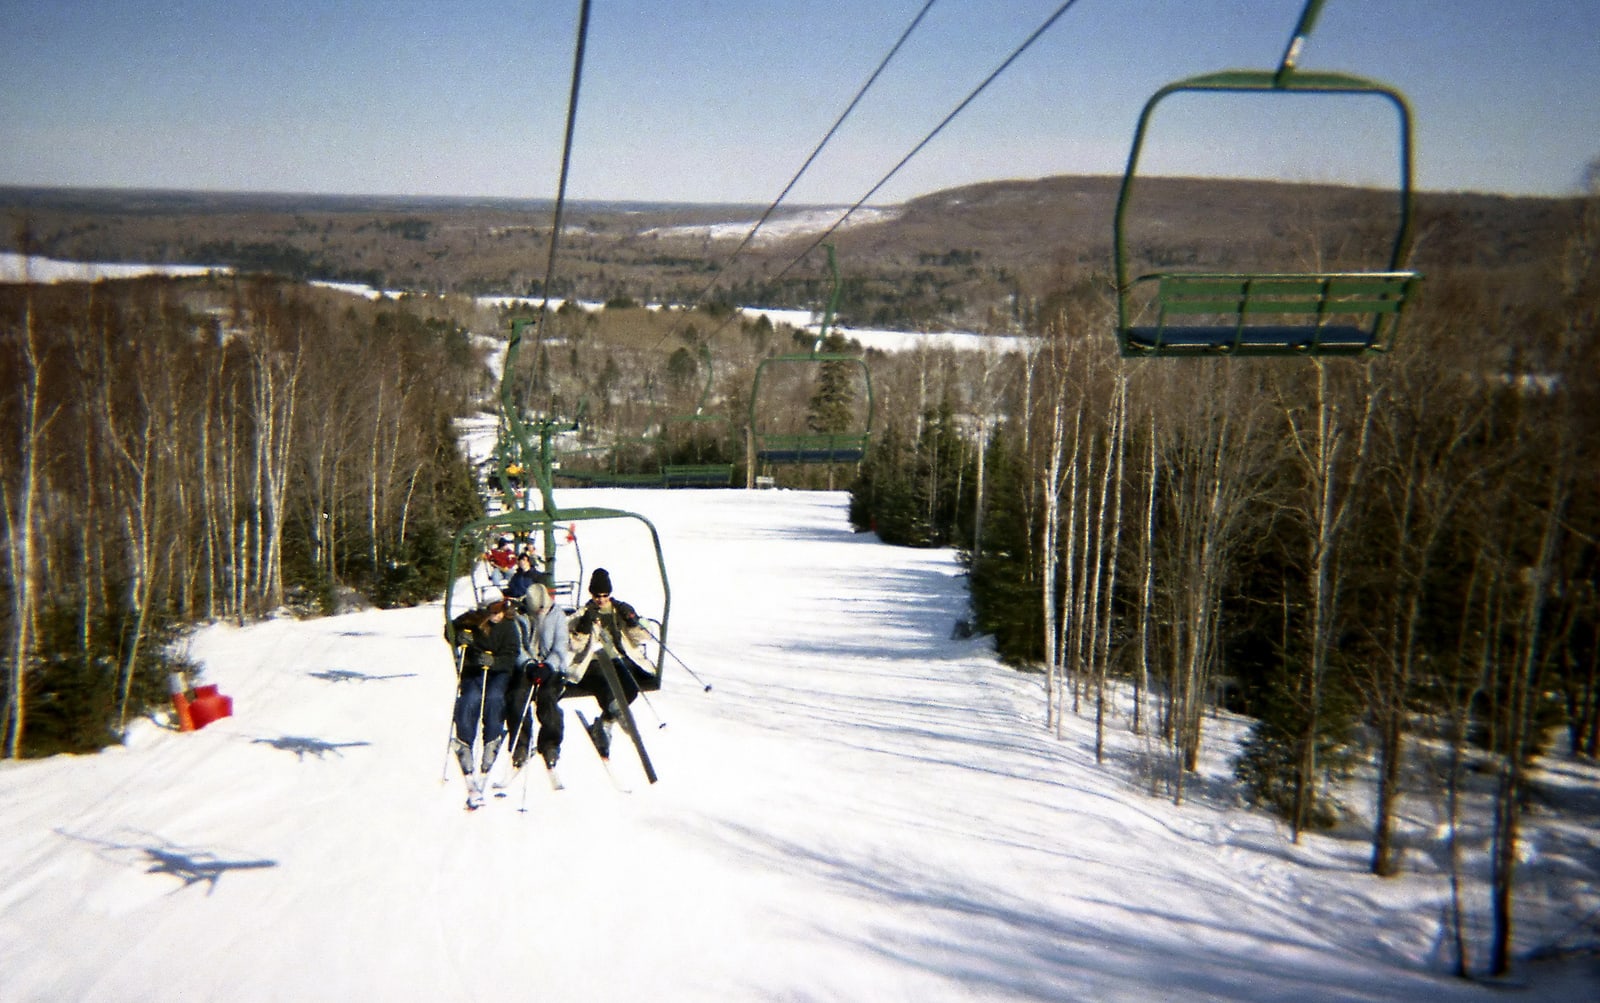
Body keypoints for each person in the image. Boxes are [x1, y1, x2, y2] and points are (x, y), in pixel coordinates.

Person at [566, 568, 658, 758]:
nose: (601, 599)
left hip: (620, 658)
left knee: (631, 684)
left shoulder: (619, 611)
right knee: (604, 682)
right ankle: (616, 713)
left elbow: (644, 637)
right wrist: (583, 627)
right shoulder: (582, 614)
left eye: (605, 595)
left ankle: (606, 721)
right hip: (593, 661)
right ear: (591, 594)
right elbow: (574, 646)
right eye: (597, 595)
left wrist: (632, 621)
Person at [447, 598, 522, 808]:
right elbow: (450, 629)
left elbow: (512, 654)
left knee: (494, 698)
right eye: (494, 612)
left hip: (498, 673)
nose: (498, 616)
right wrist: (459, 636)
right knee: (470, 698)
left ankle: (492, 739)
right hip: (474, 670)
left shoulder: (509, 627)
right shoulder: (472, 620)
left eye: (501, 612)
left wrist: (495, 662)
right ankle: (465, 741)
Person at [505, 582, 572, 771]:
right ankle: (521, 742)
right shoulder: (519, 616)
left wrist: (549, 665)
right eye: (536, 610)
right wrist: (529, 664)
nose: (540, 613)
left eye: (542, 609)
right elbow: (517, 646)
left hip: (551, 667)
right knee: (517, 696)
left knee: (547, 697)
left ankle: (550, 744)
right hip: (529, 666)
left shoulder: (557, 615)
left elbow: (561, 645)